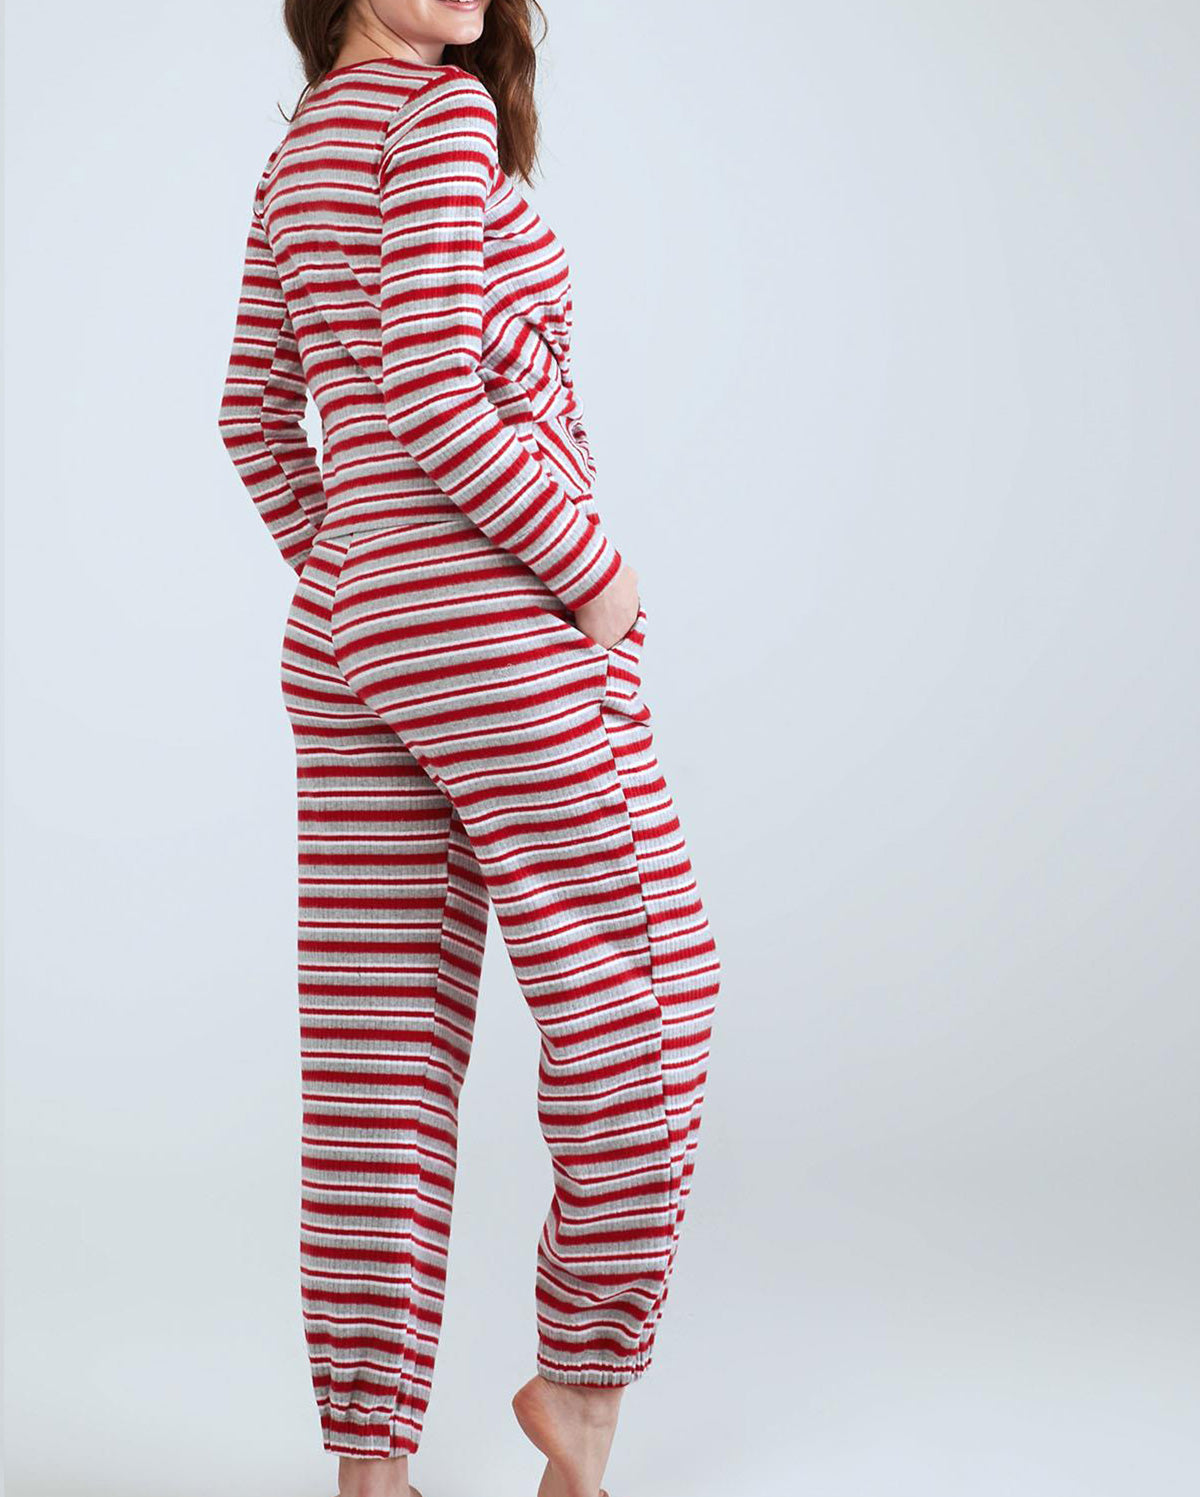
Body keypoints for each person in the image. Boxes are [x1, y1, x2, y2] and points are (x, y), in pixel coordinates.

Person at [216, 3, 720, 1493]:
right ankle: (582, 1393)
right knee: (649, 1000)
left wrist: (358, 570)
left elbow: (252, 416)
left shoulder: (294, 154)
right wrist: (594, 575)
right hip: (506, 627)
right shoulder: (440, 116)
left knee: (375, 1058)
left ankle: (370, 1470)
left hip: (350, 641)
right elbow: (440, 392)